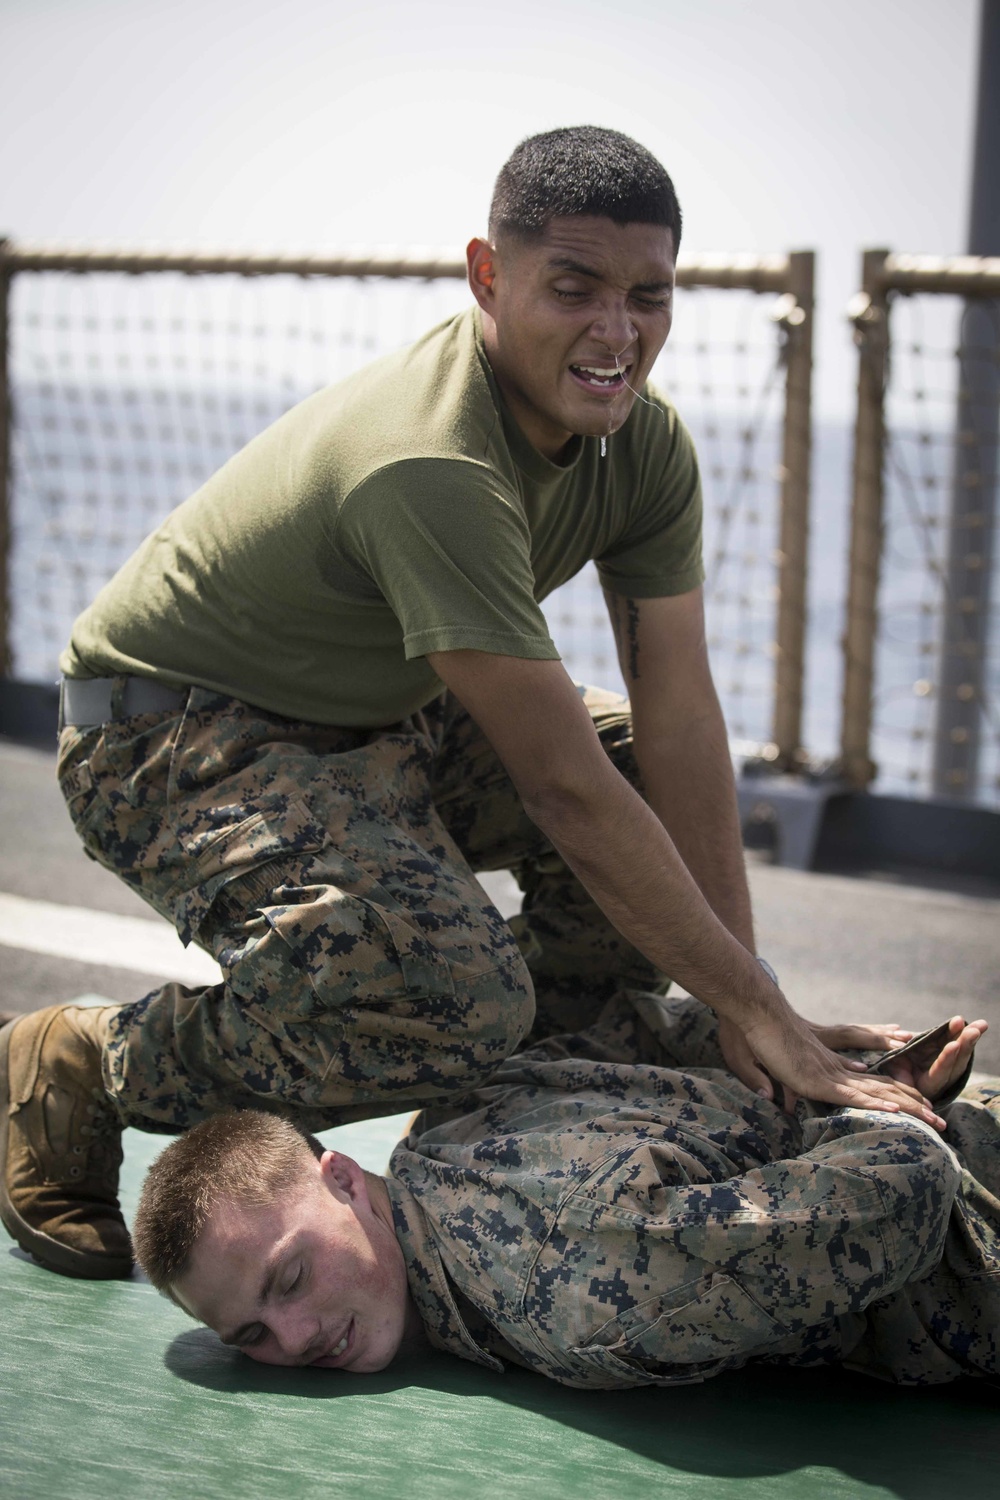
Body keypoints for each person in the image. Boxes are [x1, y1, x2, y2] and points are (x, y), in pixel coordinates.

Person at [0, 127, 941, 1286]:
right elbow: (560, 787)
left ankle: (534, 1112)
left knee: (637, 769)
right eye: (575, 289)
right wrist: (754, 1009)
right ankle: (87, 1063)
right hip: (172, 733)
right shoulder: (431, 462)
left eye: (649, 296)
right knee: (442, 1000)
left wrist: (754, 1005)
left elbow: (680, 720)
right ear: (487, 277)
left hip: (379, 711)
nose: (617, 332)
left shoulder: (642, 447)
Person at [132, 997, 996, 1391]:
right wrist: (844, 1074)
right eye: (250, 1334)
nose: (297, 1337)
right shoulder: (453, 1113)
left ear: (344, 1181)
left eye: (289, 1279)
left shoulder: (566, 1289)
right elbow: (643, 1027)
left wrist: (878, 1104)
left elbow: (902, 1197)